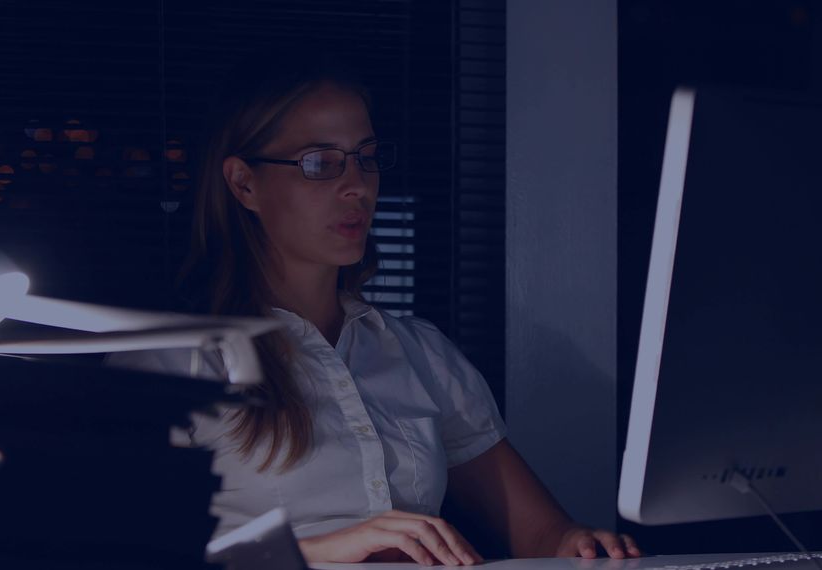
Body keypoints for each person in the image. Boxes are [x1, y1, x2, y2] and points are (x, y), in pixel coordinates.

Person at [110, 48, 640, 565]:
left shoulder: (421, 355)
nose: (357, 186)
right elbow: (127, 551)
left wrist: (580, 546)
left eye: (366, 158)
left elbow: (542, 533)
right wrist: (320, 552)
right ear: (244, 183)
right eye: (320, 163)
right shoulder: (169, 362)